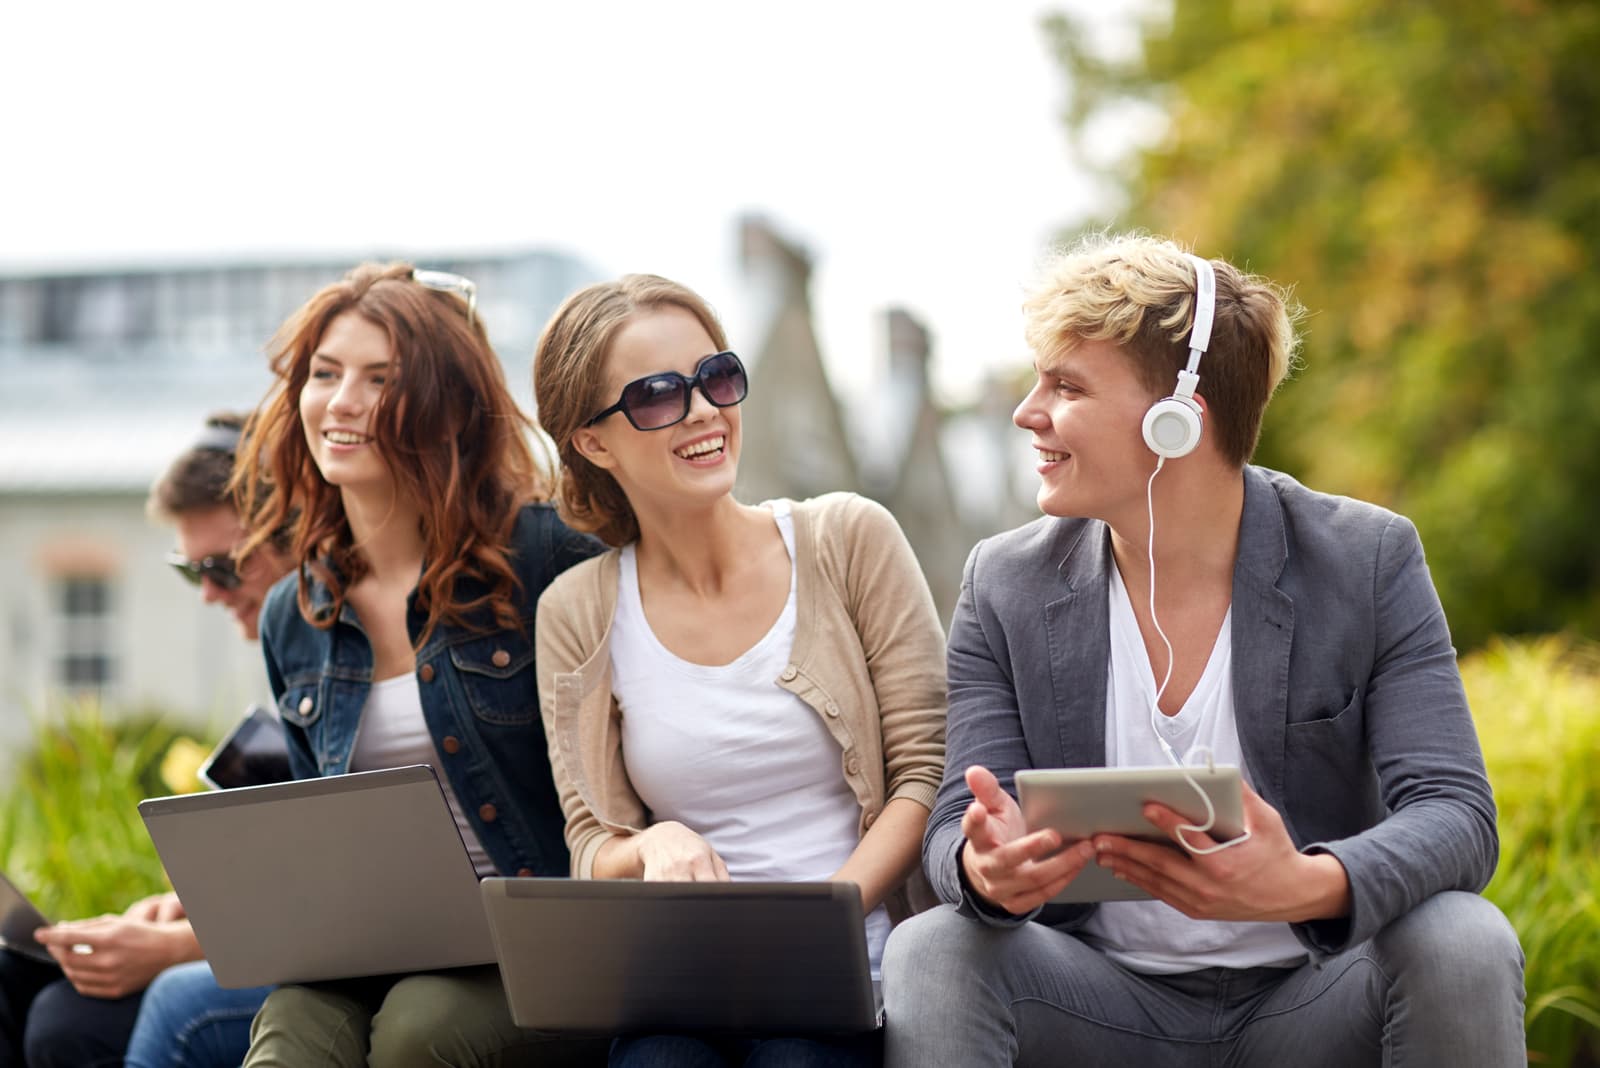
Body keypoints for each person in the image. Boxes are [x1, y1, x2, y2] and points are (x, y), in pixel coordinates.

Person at [881, 234, 1526, 1067]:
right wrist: (983, 867)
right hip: (1094, 1000)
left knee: (1464, 936)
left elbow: (1457, 813)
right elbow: (955, 827)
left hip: (1313, 995)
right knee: (934, 947)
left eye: (1067, 386)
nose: (1027, 411)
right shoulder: (1003, 584)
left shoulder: (1368, 560)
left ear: (1177, 420)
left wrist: (1307, 884)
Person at [530, 274, 947, 1068]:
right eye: (656, 395)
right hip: (684, 986)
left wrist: (816, 927)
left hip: (842, 984)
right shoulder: (576, 612)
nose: (702, 412)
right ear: (592, 441)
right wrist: (657, 845)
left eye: (715, 376)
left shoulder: (849, 538)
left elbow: (925, 776)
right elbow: (591, 840)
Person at [229, 263, 605, 1067]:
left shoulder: (547, 559)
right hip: (381, 945)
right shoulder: (294, 616)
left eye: (380, 378)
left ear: (446, 408)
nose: (342, 401)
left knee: (420, 1029)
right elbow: (321, 837)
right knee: (292, 1019)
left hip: (541, 942)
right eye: (325, 374)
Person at [0, 414, 291, 1068]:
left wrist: (178, 945)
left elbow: (346, 901)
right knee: (12, 977)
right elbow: (286, 876)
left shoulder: (339, 667)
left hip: (297, 963)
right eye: (192, 573)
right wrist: (188, 910)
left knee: (61, 1022)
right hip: (250, 937)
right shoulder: (291, 677)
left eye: (223, 566)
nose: (211, 593)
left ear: (294, 530)